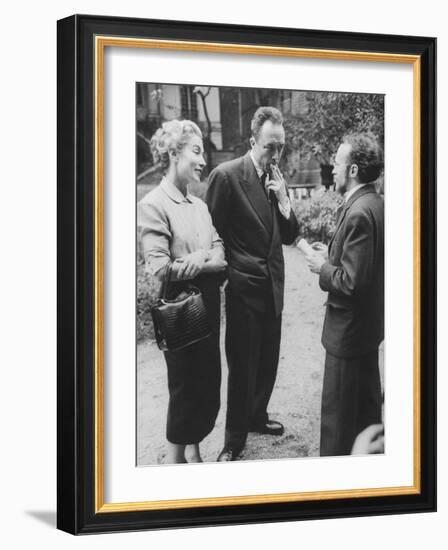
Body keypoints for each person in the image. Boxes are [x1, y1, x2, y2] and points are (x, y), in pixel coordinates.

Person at [206, 106, 299, 461]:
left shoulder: (277, 178)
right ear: (251, 141)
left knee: (267, 362)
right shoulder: (227, 175)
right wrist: (230, 273)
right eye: (269, 147)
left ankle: (257, 416)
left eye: (281, 147)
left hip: (273, 287)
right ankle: (233, 439)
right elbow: (211, 232)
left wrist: (284, 200)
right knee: (243, 366)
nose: (276, 154)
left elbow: (289, 236)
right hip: (245, 291)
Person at [137, 120, 227, 464]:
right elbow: (159, 267)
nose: (204, 159)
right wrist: (206, 262)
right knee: (185, 391)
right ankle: (175, 469)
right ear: (174, 153)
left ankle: (195, 452)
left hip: (207, 307)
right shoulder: (153, 204)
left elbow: (220, 252)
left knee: (207, 387)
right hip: (179, 309)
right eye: (197, 150)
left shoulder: (200, 205)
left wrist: (200, 256)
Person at [305, 132, 384, 456]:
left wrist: (322, 267)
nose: (332, 168)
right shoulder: (374, 203)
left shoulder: (358, 212)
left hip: (347, 337)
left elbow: (352, 283)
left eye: (337, 162)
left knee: (337, 425)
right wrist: (332, 255)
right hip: (365, 333)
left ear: (352, 170)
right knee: (365, 414)